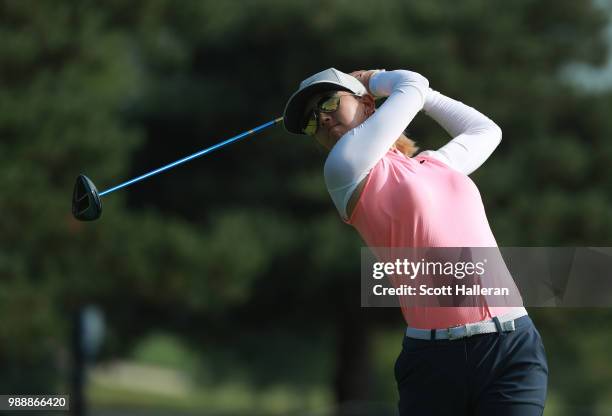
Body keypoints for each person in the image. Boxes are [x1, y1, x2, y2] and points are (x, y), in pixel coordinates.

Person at [283, 68, 549, 415]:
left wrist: (393, 89)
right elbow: (413, 85)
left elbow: (486, 130)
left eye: (330, 102)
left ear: (367, 104)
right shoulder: (343, 168)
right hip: (435, 362)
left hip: (511, 347)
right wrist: (375, 80)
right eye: (311, 122)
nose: (322, 118)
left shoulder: (434, 165)